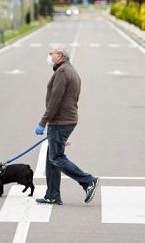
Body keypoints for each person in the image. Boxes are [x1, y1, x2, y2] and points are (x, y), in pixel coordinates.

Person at [34, 45, 99, 205]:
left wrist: (43, 122)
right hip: (64, 121)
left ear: (60, 55)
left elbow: (55, 100)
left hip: (60, 121)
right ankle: (52, 195)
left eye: (51, 53)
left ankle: (88, 180)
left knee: (56, 157)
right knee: (52, 159)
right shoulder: (68, 70)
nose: (49, 56)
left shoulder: (63, 72)